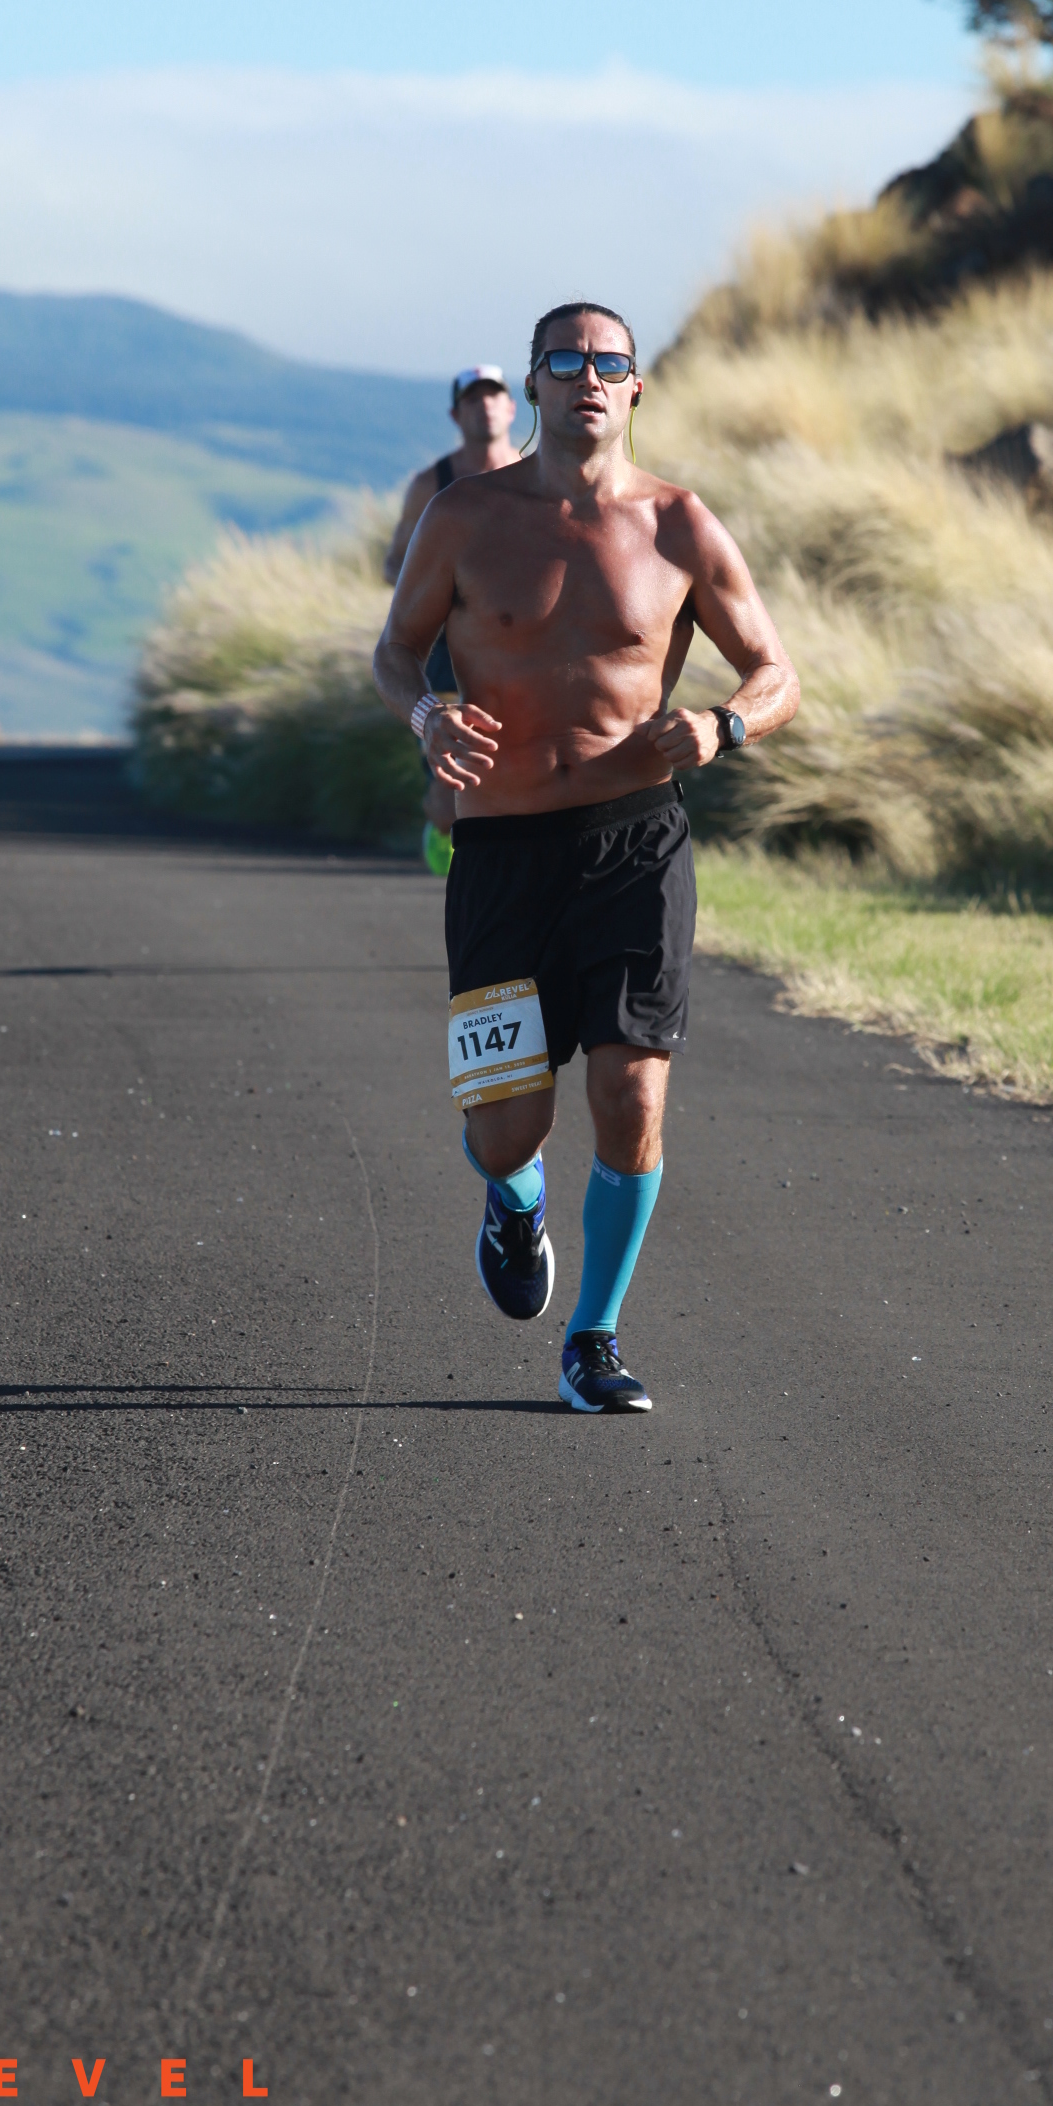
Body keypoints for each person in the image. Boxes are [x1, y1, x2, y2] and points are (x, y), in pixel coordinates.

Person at [373, 300, 799, 1413]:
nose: (588, 379)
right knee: (506, 1128)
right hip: (501, 852)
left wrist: (723, 726)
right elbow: (394, 651)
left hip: (634, 843)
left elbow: (776, 673)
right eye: (565, 361)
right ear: (535, 383)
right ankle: (513, 1201)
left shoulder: (679, 524)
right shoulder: (464, 518)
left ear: (636, 387)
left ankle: (593, 1339)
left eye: (610, 362)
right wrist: (425, 718)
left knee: (631, 1090)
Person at [384, 364, 524, 876]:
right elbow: (394, 564)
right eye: (472, 399)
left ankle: (502, 869)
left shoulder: (537, 476)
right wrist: (444, 587)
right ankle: (445, 835)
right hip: (447, 652)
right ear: (455, 414)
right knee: (451, 781)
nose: (484, 406)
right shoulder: (433, 484)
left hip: (523, 646)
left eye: (493, 396)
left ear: (512, 408)